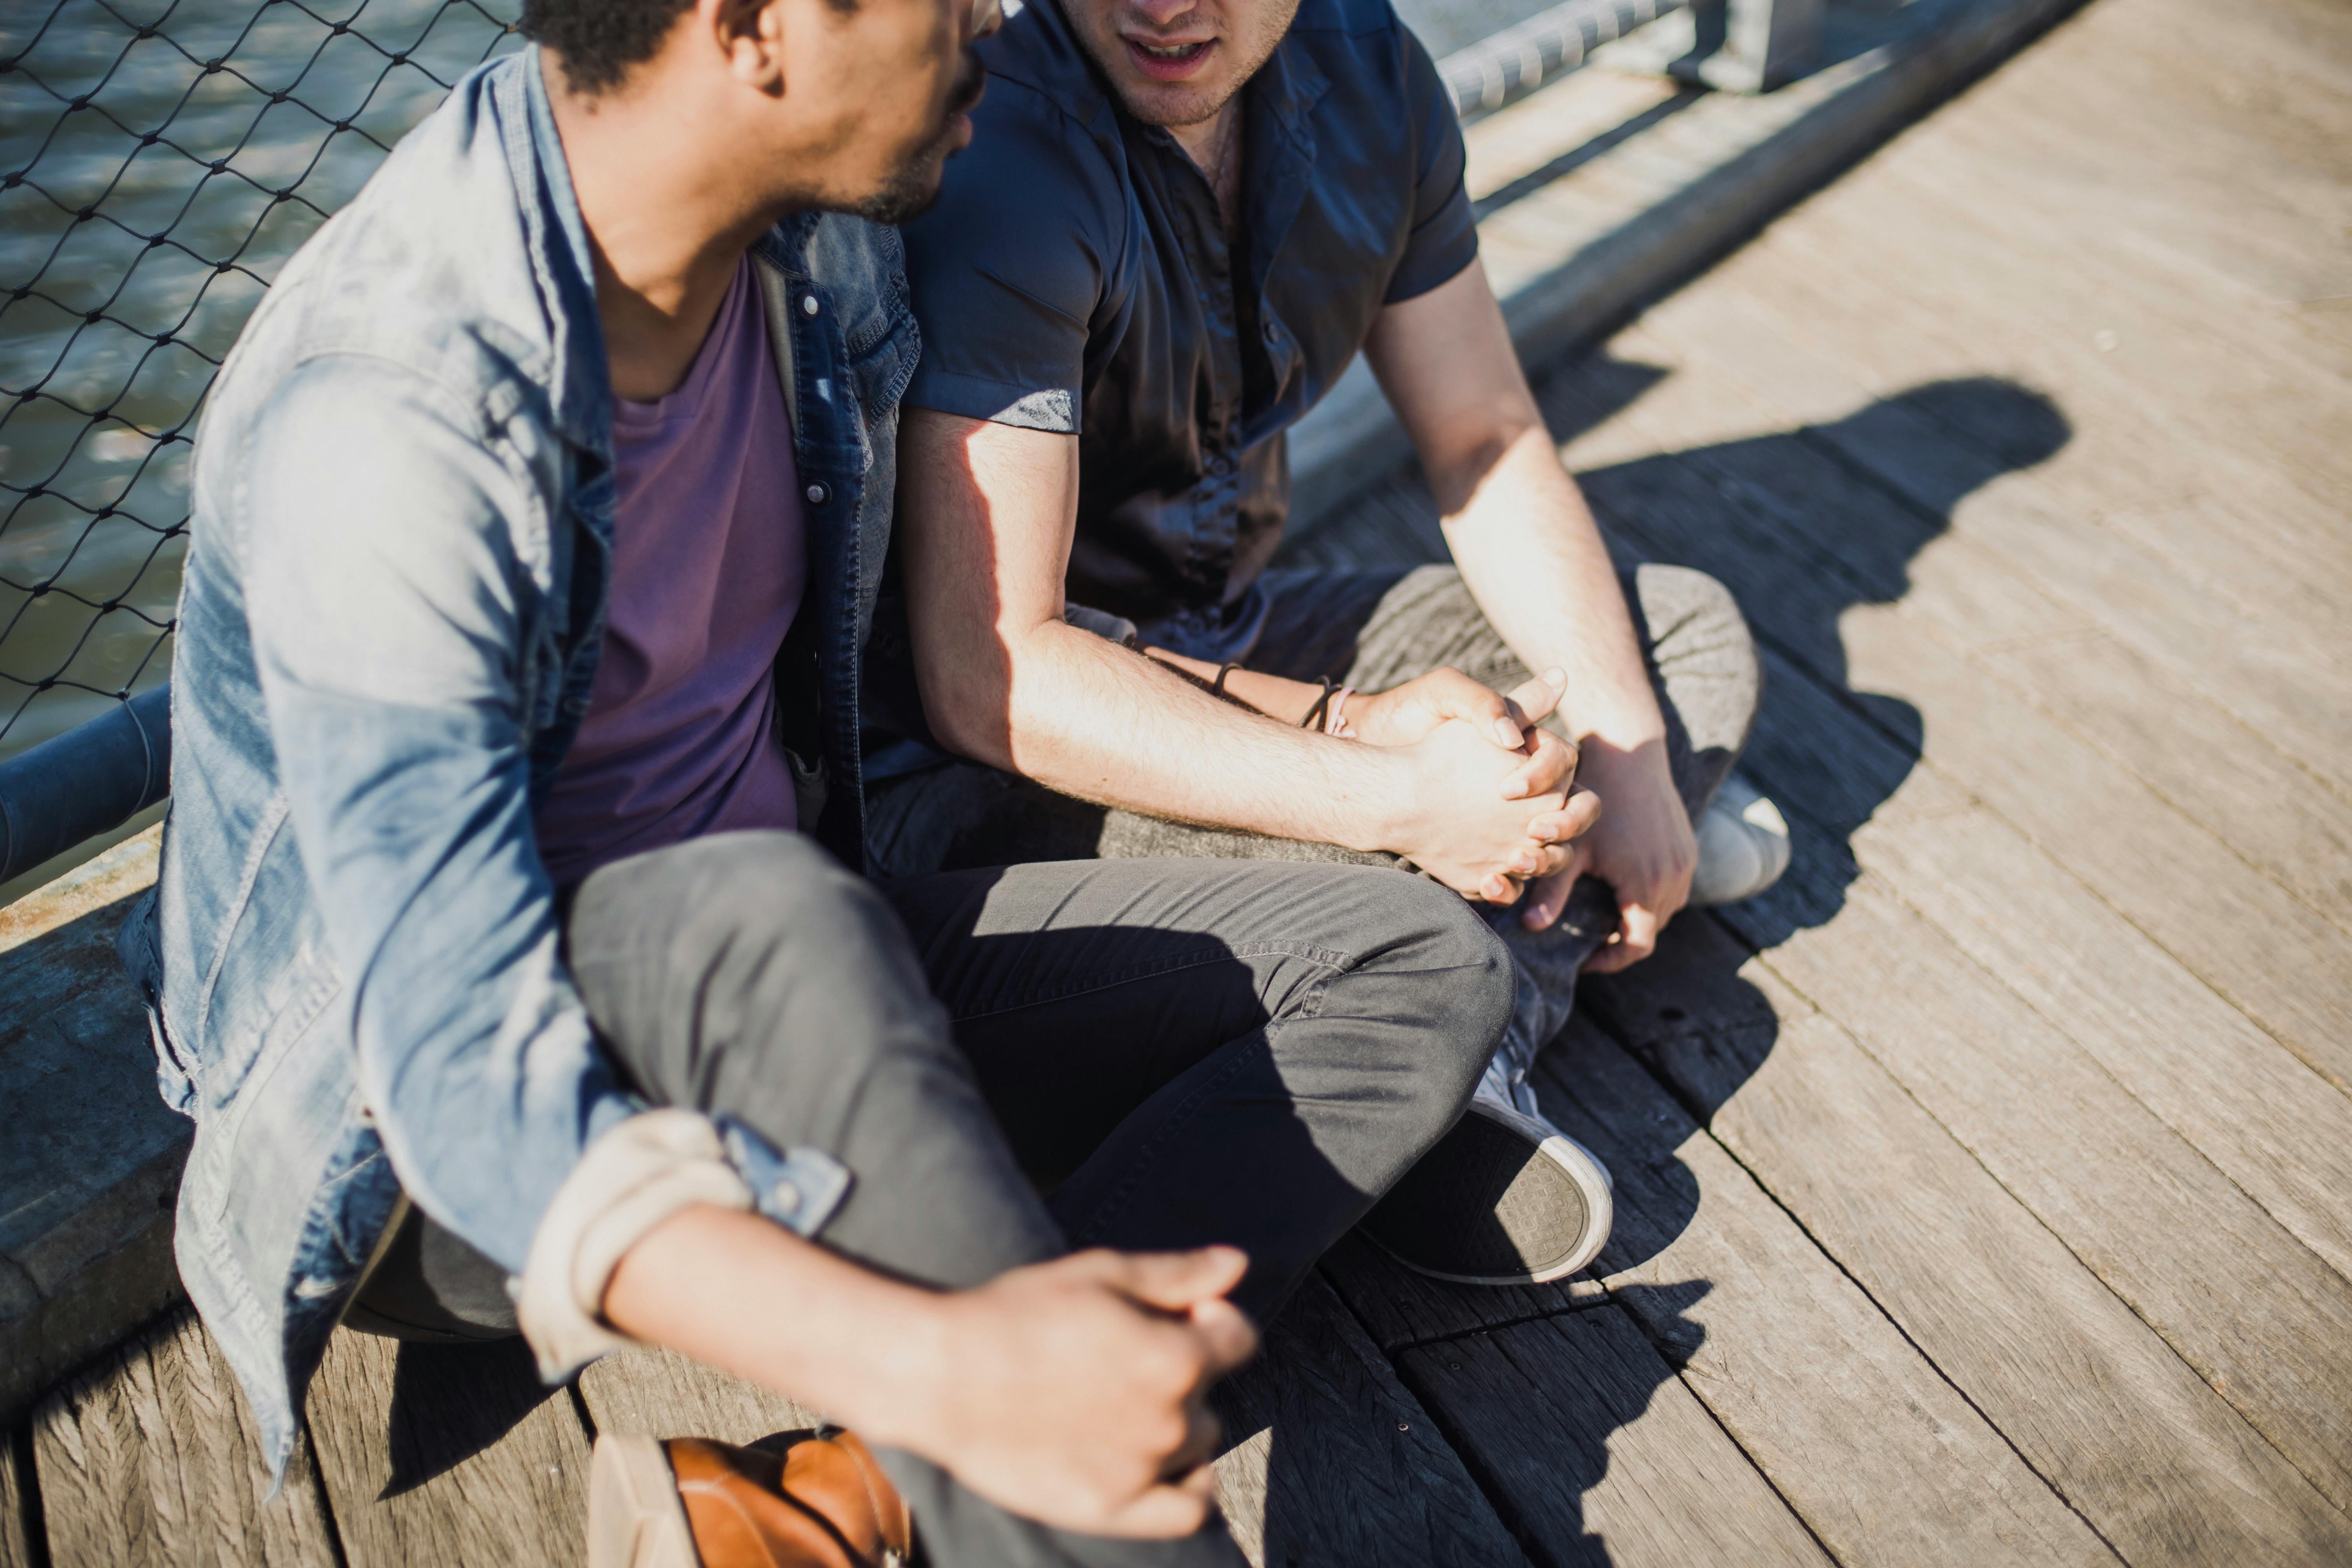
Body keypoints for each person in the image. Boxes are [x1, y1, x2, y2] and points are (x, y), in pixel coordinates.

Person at [118, 0, 1546, 1559]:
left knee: (1413, 964)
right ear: (752, 28)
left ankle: (844, 1489)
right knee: (771, 915)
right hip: (468, 1149)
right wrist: (950, 1360)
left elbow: (983, 653)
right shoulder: (396, 413)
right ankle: (988, 1428)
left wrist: (1351, 744)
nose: (999, 12)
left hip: (824, 950)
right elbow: (457, 1071)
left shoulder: (819, 224)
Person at [872, 0, 1792, 1286]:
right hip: (1037, 758)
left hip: (1249, 632)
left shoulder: (1372, 75)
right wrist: (1402, 800)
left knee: (1671, 635)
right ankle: (1472, 984)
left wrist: (1626, 746)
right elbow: (994, 679)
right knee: (1418, 892)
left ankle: (1475, 1021)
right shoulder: (1008, 157)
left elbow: (1485, 439)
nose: (1165, 5)